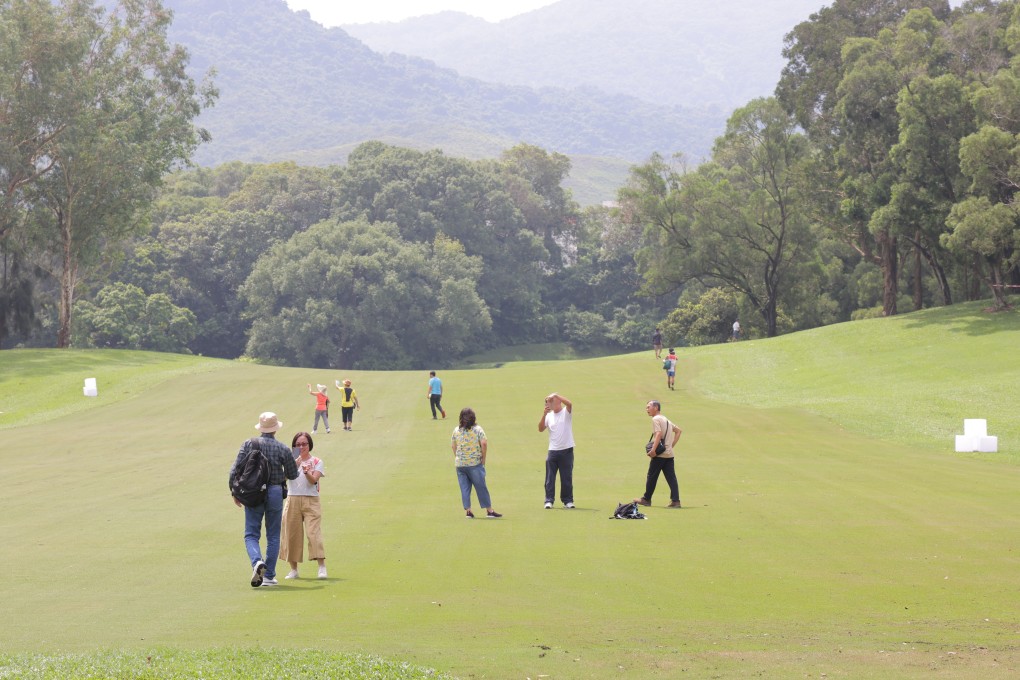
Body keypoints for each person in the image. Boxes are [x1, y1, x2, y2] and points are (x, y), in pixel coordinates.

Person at [229, 412, 299, 588]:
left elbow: (235, 470)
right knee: (273, 535)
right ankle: (268, 575)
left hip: (253, 492)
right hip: (275, 491)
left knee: (251, 533)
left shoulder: (249, 444)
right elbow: (292, 475)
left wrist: (234, 492)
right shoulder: (282, 448)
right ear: (275, 429)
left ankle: (257, 562)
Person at [281, 431, 327, 580]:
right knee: (292, 534)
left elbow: (313, 481)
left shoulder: (316, 461)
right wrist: (294, 465)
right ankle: (294, 569)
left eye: (304, 444)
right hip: (292, 499)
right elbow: (283, 478)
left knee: (313, 533)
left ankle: (321, 566)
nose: (301, 447)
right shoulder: (290, 460)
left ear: (309, 445)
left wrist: (307, 471)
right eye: (298, 444)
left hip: (311, 500)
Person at [451, 407, 502, 518]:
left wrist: (458, 457)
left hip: (460, 464)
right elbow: (483, 443)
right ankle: (489, 510)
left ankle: (468, 511)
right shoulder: (478, 429)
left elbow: (453, 445)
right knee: (481, 486)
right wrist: (483, 459)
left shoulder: (456, 430)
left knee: (464, 487)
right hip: (474, 463)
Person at [634, 400, 682, 509]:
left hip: (659, 455)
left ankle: (646, 499)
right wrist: (670, 446)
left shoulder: (655, 419)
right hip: (669, 455)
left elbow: (659, 434)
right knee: (671, 478)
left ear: (656, 407)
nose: (647, 409)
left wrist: (653, 450)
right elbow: (679, 431)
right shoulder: (666, 420)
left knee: (652, 476)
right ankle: (676, 501)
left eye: (648, 407)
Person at [538, 392, 575, 509]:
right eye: (548, 402)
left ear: (558, 402)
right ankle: (549, 500)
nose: (549, 404)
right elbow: (540, 429)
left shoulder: (565, 412)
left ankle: (567, 501)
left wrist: (556, 395)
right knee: (550, 478)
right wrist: (544, 415)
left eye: (551, 401)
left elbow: (569, 403)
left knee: (566, 477)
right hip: (553, 451)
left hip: (566, 450)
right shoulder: (549, 416)